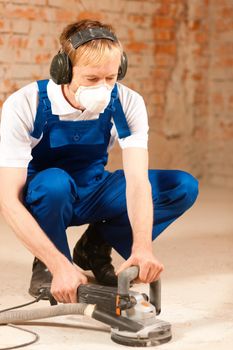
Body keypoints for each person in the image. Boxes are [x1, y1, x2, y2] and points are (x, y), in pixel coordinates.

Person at [0, 19, 198, 304]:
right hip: (46, 196)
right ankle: (49, 262)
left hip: (92, 189)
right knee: (53, 183)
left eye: (111, 78)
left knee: (180, 186)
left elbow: (138, 181)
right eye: (92, 79)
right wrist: (60, 267)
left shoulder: (127, 103)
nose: (104, 89)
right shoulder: (26, 104)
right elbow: (8, 199)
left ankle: (94, 245)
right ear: (63, 70)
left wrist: (142, 247)